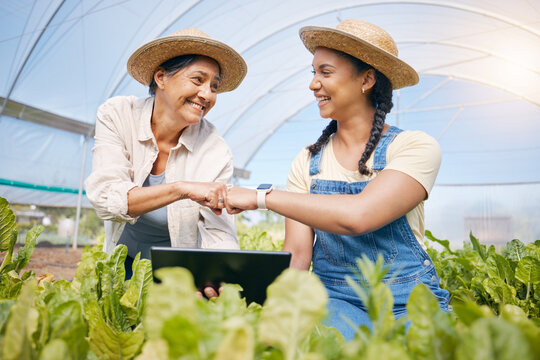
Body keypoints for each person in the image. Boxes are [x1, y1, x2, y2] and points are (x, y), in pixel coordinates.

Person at [225, 19, 449, 339]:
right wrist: (263, 309)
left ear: (367, 79)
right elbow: (298, 256)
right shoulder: (307, 161)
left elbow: (359, 216)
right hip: (334, 299)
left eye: (325, 72)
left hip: (409, 300)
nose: (313, 84)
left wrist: (261, 197)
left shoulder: (415, 147)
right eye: (313, 72)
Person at [85, 28, 247, 284]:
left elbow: (219, 230)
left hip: (180, 272)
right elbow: (107, 198)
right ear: (161, 77)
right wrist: (182, 189)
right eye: (198, 80)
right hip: (123, 261)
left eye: (214, 86)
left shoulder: (215, 150)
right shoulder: (117, 115)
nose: (207, 94)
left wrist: (217, 276)